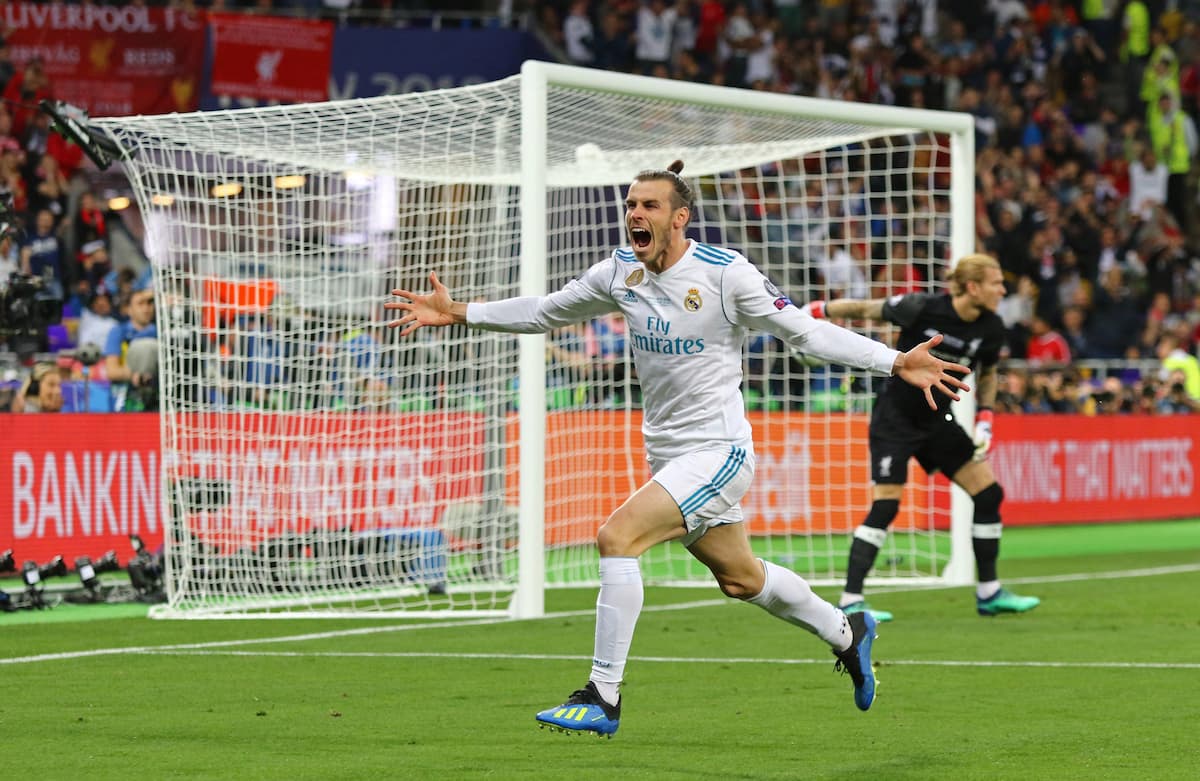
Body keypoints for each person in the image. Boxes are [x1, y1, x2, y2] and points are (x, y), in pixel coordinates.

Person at [385, 161, 971, 737]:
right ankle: (849, 632)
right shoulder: (620, 272)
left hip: (720, 452)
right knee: (740, 579)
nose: (635, 215)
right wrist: (459, 311)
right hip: (667, 455)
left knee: (617, 537)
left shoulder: (725, 274)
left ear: (680, 217)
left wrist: (895, 360)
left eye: (650, 206)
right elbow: (544, 311)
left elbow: (806, 331)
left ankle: (602, 694)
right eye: (631, 206)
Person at [807, 253, 1040, 623]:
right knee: (886, 506)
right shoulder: (922, 307)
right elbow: (868, 308)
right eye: (997, 283)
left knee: (988, 492)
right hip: (895, 419)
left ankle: (989, 593)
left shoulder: (993, 327)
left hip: (937, 422)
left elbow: (990, 372)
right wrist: (818, 309)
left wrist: (986, 418)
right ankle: (851, 599)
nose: (1002, 290)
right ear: (973, 286)